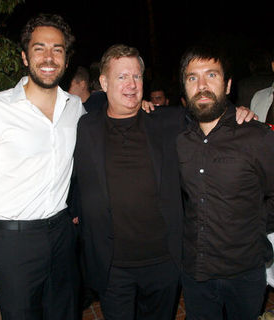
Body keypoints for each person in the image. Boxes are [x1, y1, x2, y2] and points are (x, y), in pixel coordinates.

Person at [73, 44, 256, 320]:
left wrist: (238, 112)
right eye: (122, 77)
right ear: (103, 82)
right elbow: (74, 176)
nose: (132, 85)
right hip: (111, 265)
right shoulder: (85, 128)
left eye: (136, 76)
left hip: (164, 262)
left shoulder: (168, 122)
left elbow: (207, 110)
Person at [0, 13, 85, 319]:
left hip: (62, 234)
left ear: (66, 60)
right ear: (25, 57)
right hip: (13, 243)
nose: (48, 57)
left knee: (66, 313)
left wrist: (143, 109)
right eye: (39, 48)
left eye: (57, 49)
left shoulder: (76, 108)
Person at [176, 45, 274, 320]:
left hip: (245, 271)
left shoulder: (257, 136)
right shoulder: (177, 138)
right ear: (184, 88)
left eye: (211, 75)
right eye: (192, 78)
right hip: (196, 272)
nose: (202, 85)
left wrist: (252, 223)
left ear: (228, 84)